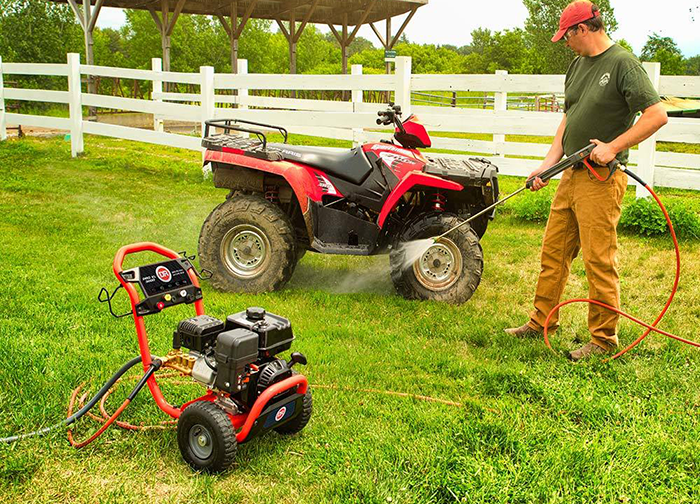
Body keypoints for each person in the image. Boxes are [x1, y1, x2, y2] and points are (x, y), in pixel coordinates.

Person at [504, 1, 668, 360]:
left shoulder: (623, 64)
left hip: (602, 180)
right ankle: (540, 322)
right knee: (553, 253)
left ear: (583, 29)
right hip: (571, 175)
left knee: (598, 259)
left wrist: (614, 146)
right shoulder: (577, 66)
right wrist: (547, 164)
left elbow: (657, 115)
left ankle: (603, 339)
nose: (565, 43)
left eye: (567, 36)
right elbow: (569, 118)